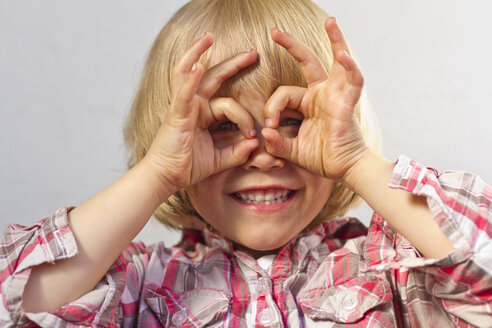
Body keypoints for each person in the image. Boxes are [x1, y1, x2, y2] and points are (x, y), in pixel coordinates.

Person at [1, 0, 491, 326]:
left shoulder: (394, 271)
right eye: (222, 127)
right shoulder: (135, 284)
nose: (262, 152)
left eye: (295, 120)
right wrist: (157, 173)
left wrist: (353, 159)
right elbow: (16, 303)